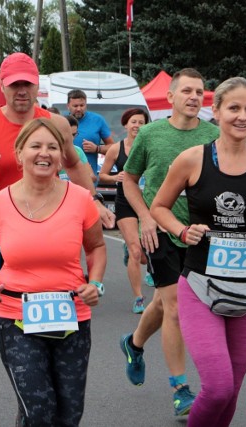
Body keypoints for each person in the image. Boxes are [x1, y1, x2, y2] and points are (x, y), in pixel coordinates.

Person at [151, 76, 246, 427]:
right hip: (200, 284)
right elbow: (159, 207)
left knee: (232, 391)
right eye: (233, 108)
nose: (242, 116)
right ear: (215, 111)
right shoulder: (192, 159)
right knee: (217, 388)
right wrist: (182, 231)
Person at [0, 118, 106, 426]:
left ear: (61, 155)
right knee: (38, 412)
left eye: (53, 147)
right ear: (19, 154)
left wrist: (95, 283)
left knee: (69, 414)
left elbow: (96, 247)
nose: (45, 153)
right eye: (36, 146)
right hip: (15, 317)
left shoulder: (81, 199)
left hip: (72, 315)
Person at [0, 52, 115, 261]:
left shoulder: (57, 124)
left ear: (37, 86)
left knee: (52, 288)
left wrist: (94, 201)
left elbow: (74, 165)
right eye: (14, 84)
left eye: (27, 84)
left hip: (47, 230)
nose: (21, 91)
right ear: (2, 86)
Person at [119, 68, 220, 416]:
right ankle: (181, 389)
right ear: (172, 97)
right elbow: (129, 181)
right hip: (159, 230)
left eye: (200, 91)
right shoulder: (150, 133)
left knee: (163, 305)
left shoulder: (214, 135)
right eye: (187, 91)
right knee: (175, 305)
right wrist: (145, 217)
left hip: (200, 233)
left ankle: (134, 344)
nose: (194, 97)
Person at [99, 108, 150, 313]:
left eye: (141, 122)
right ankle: (138, 298)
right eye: (133, 122)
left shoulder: (152, 147)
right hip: (125, 202)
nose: (137, 125)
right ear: (126, 125)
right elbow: (102, 176)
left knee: (147, 255)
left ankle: (131, 251)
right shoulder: (115, 149)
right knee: (136, 250)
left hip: (148, 202)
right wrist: (116, 177)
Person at [67, 89, 116, 176]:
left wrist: (97, 149)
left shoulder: (98, 120)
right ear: (68, 106)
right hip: (66, 178)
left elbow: (113, 148)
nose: (79, 109)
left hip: (89, 178)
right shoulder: (62, 121)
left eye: (82, 105)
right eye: (75, 106)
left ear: (86, 105)